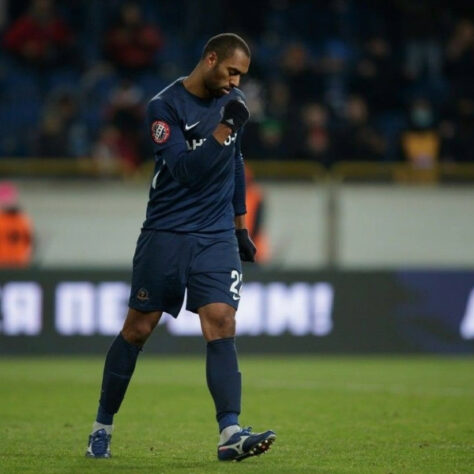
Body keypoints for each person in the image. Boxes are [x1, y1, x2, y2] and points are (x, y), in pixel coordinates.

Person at [85, 33, 276, 462]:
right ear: (210, 60)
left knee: (222, 320)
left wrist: (240, 225)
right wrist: (227, 127)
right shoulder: (164, 107)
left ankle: (230, 432)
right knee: (137, 329)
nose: (235, 82)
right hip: (166, 234)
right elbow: (186, 171)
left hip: (214, 235)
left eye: (241, 76)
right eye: (231, 72)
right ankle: (102, 426)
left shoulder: (233, 100)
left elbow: (236, 161)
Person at [0, 182, 34, 268]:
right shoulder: (23, 219)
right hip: (18, 263)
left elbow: (29, 242)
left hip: (15, 264)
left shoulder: (21, 220)